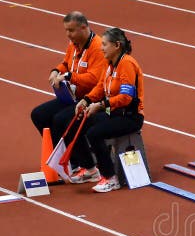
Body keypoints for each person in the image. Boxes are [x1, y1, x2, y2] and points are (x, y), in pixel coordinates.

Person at [70, 27, 145, 193]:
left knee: (94, 133)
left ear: (117, 45)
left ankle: (111, 178)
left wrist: (101, 105)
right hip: (115, 113)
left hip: (130, 117)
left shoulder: (127, 64)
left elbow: (126, 98)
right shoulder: (111, 64)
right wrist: (87, 100)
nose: (101, 47)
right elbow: (100, 86)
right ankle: (90, 169)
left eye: (104, 44)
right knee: (81, 120)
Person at [30, 11, 107, 155]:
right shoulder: (74, 44)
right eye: (66, 30)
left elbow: (94, 80)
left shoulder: (98, 48)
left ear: (83, 28)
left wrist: (68, 76)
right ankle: (59, 154)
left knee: (60, 120)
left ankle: (75, 160)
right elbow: (66, 63)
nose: (68, 34)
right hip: (72, 97)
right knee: (38, 114)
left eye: (71, 30)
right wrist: (55, 71)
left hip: (91, 100)